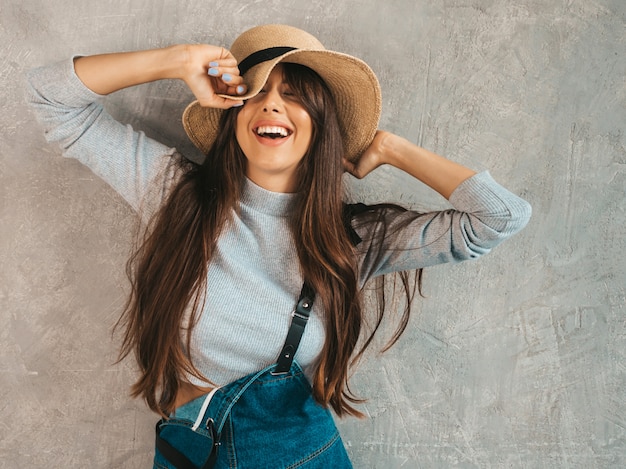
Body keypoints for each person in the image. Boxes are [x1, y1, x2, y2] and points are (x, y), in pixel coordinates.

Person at [26, 24, 531, 469]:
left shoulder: (353, 238)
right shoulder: (172, 193)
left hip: (300, 457)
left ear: (320, 124)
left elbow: (500, 217)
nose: (271, 103)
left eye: (294, 95)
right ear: (230, 113)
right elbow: (51, 97)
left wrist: (390, 149)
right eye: (257, 90)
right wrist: (177, 60)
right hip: (189, 455)